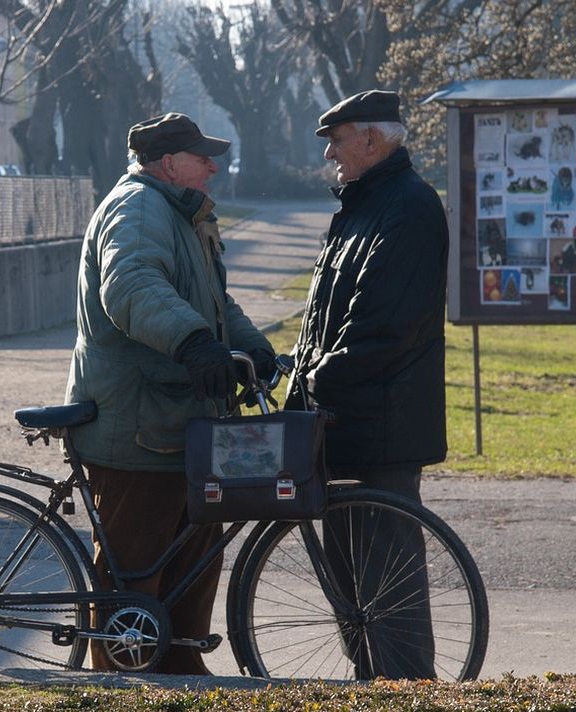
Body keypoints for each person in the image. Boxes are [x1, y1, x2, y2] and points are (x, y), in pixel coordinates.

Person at [65, 112, 275, 674]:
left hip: (179, 422)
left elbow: (216, 303)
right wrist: (193, 344)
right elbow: (131, 286)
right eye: (202, 157)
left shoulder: (180, 213)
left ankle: (182, 666)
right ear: (167, 163)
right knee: (135, 571)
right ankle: (122, 682)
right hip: (137, 427)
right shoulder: (137, 209)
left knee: (195, 553)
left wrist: (256, 351)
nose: (213, 166)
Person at [285, 90, 449, 679]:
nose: (330, 152)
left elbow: (383, 327)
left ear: (373, 140)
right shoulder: (361, 206)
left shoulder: (407, 207)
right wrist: (300, 371)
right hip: (344, 424)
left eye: (337, 139)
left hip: (383, 428)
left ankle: (404, 690)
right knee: (353, 590)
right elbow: (326, 316)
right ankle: (371, 686)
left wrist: (314, 375)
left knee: (387, 588)